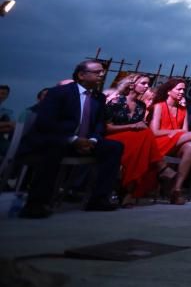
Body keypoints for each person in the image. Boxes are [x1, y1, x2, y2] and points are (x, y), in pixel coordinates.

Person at [16, 61, 124, 218]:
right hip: (58, 139)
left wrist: (92, 140)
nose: (102, 75)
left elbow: (99, 125)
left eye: (103, 72)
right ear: (81, 75)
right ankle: (36, 203)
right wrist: (73, 139)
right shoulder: (59, 93)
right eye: (97, 72)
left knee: (114, 147)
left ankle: (98, 199)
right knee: (52, 147)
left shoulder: (98, 98)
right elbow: (46, 123)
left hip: (85, 141)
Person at [104, 74, 173, 205]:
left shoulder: (141, 105)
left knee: (142, 143)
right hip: (114, 137)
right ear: (131, 85)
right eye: (143, 83)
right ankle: (161, 167)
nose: (147, 86)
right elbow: (106, 127)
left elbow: (139, 128)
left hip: (134, 140)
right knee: (145, 135)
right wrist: (132, 126)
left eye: (148, 84)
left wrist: (137, 127)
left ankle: (128, 191)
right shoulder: (116, 101)